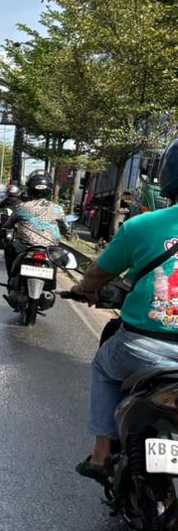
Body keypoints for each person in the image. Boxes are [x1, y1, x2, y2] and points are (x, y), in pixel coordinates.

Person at [70, 138, 178, 482]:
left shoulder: (142, 225)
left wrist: (85, 290)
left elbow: (98, 273)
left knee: (104, 365)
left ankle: (101, 456)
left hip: (144, 347)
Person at [1, 171, 69, 274]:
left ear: (30, 190)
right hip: (49, 249)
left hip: (25, 247)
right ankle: (52, 283)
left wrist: (5, 226)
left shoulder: (22, 207)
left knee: (9, 248)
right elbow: (65, 228)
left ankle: (11, 278)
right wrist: (66, 233)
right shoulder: (57, 209)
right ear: (49, 190)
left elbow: (9, 224)